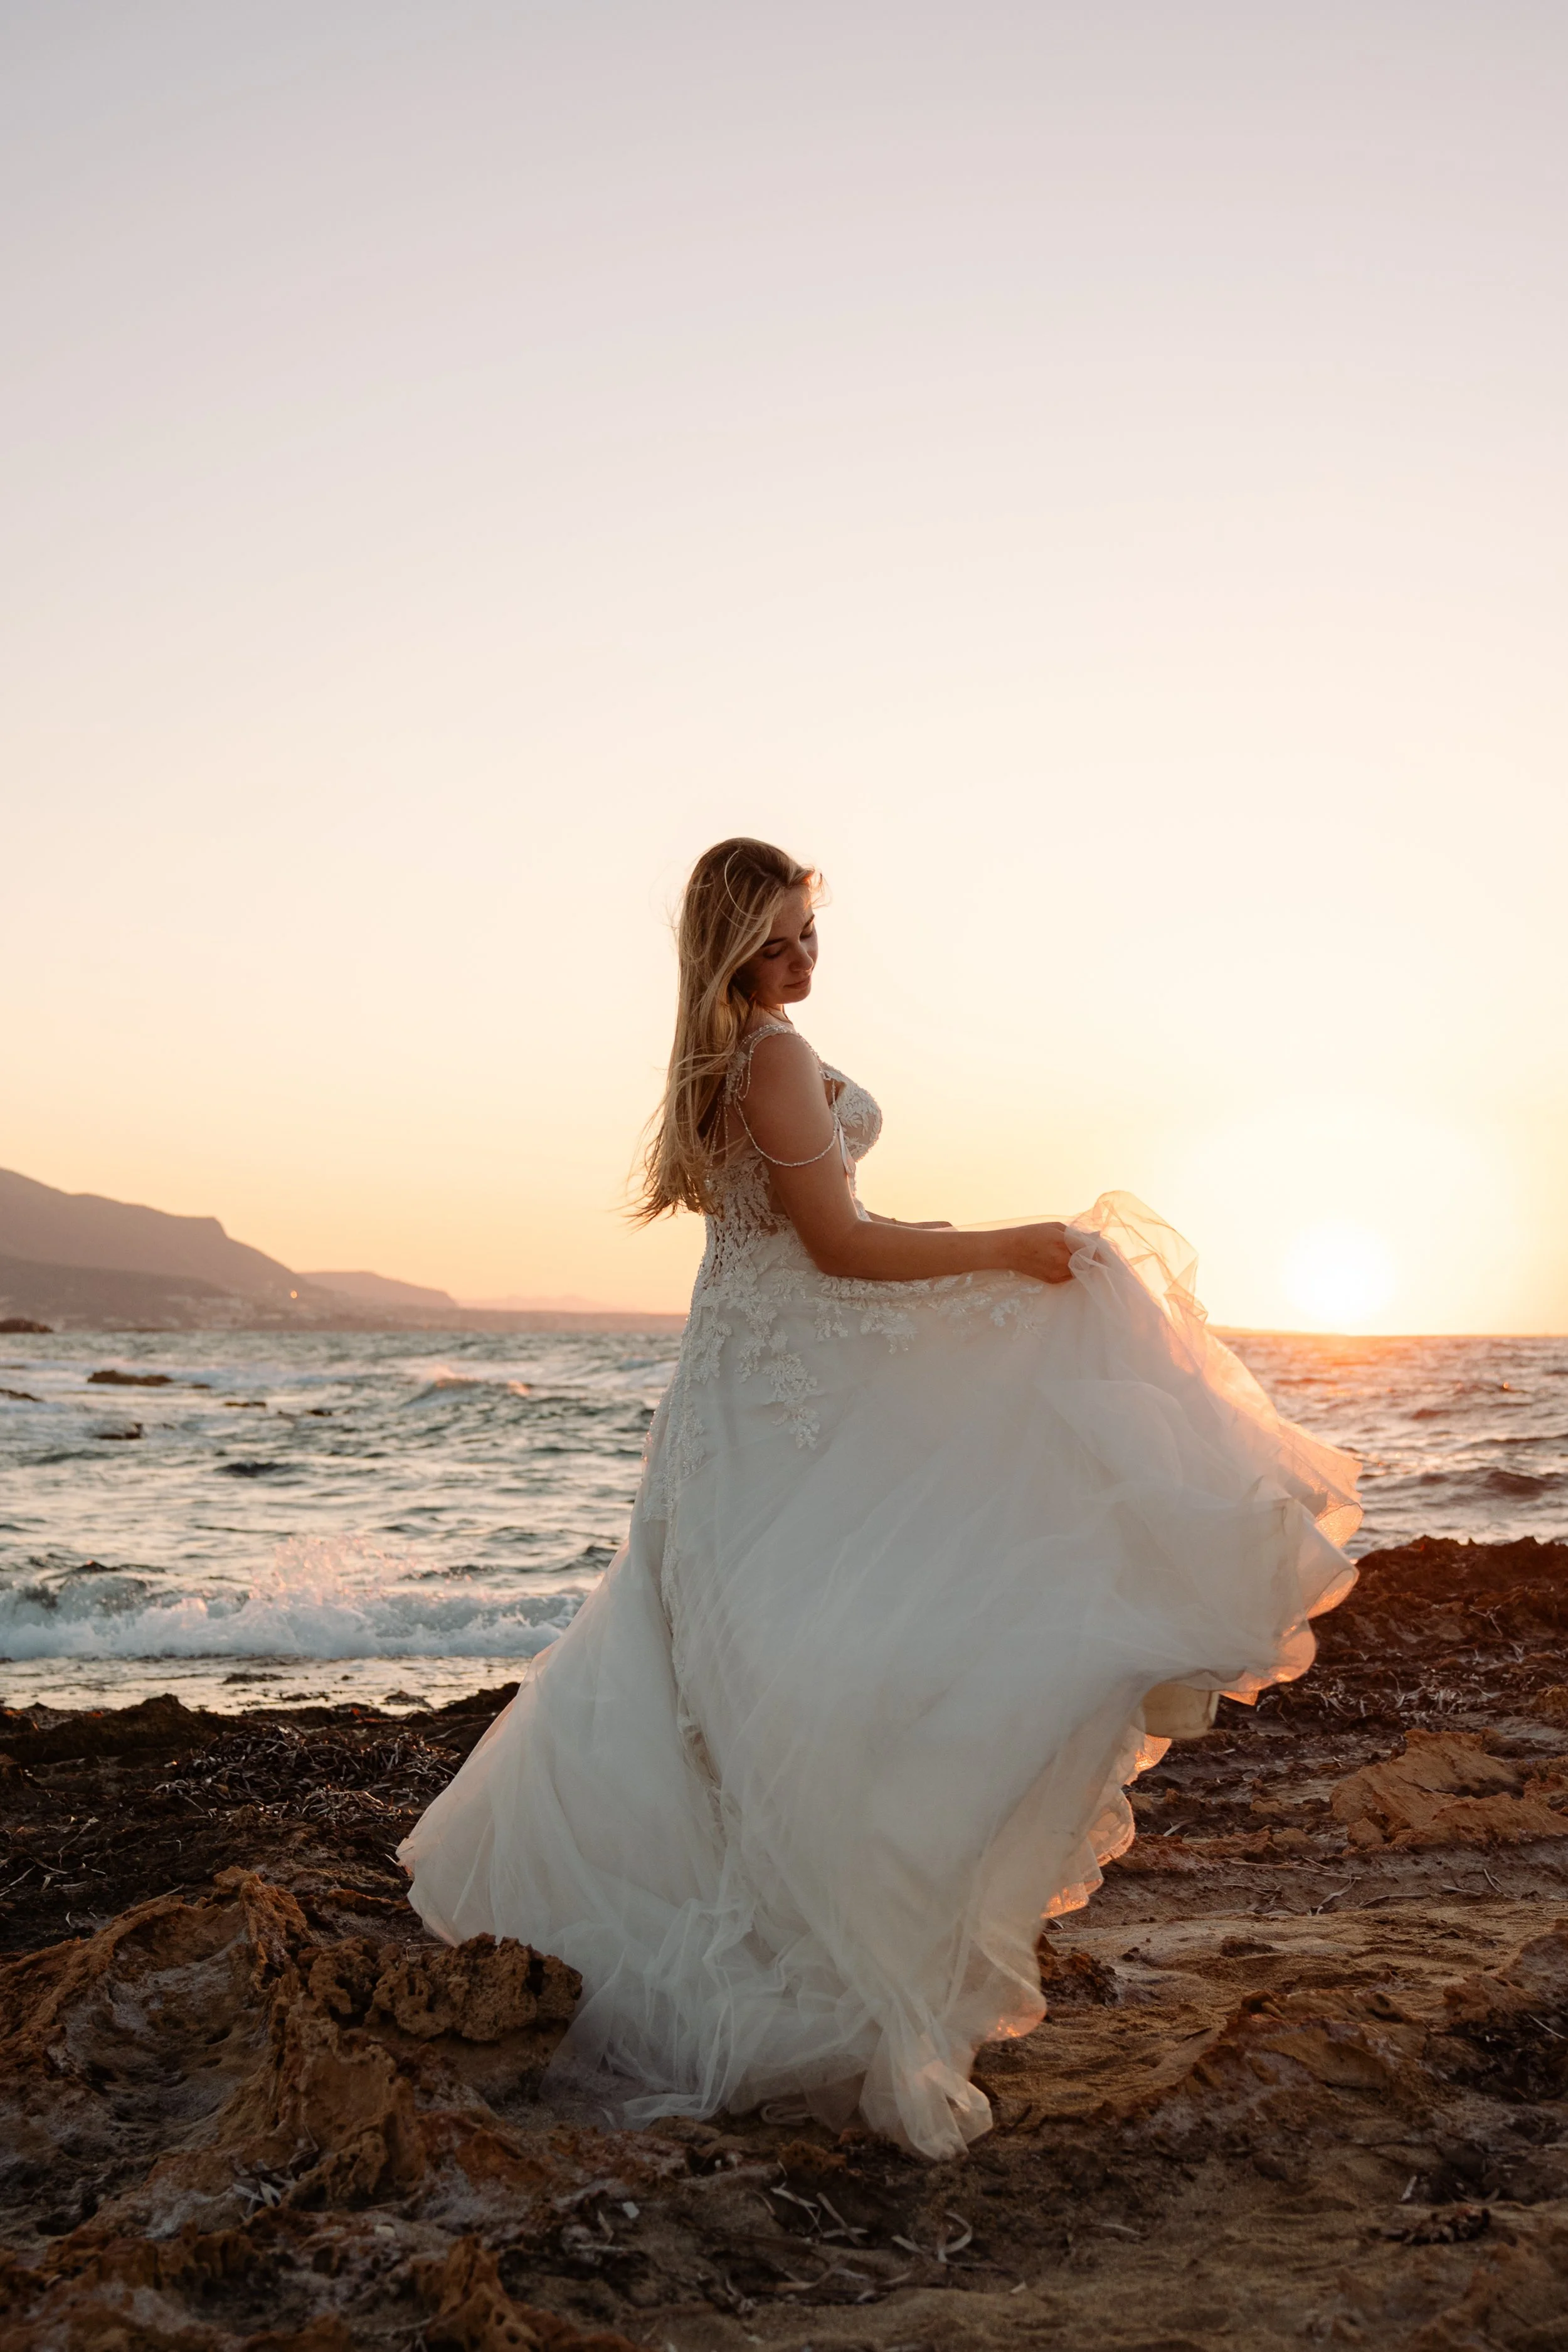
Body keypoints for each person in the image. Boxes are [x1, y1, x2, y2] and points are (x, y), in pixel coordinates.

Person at [400, 836, 1359, 2159]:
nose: (805, 956)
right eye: (782, 936)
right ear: (733, 945)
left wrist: (964, 1256)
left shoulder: (711, 1065)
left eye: (810, 931)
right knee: (817, 1658)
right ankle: (827, 1959)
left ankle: (776, 1949)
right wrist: (1009, 1249)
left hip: (737, 1393)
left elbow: (817, 1228)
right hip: (774, 1396)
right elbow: (837, 1247)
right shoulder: (771, 1056)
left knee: (737, 1666)